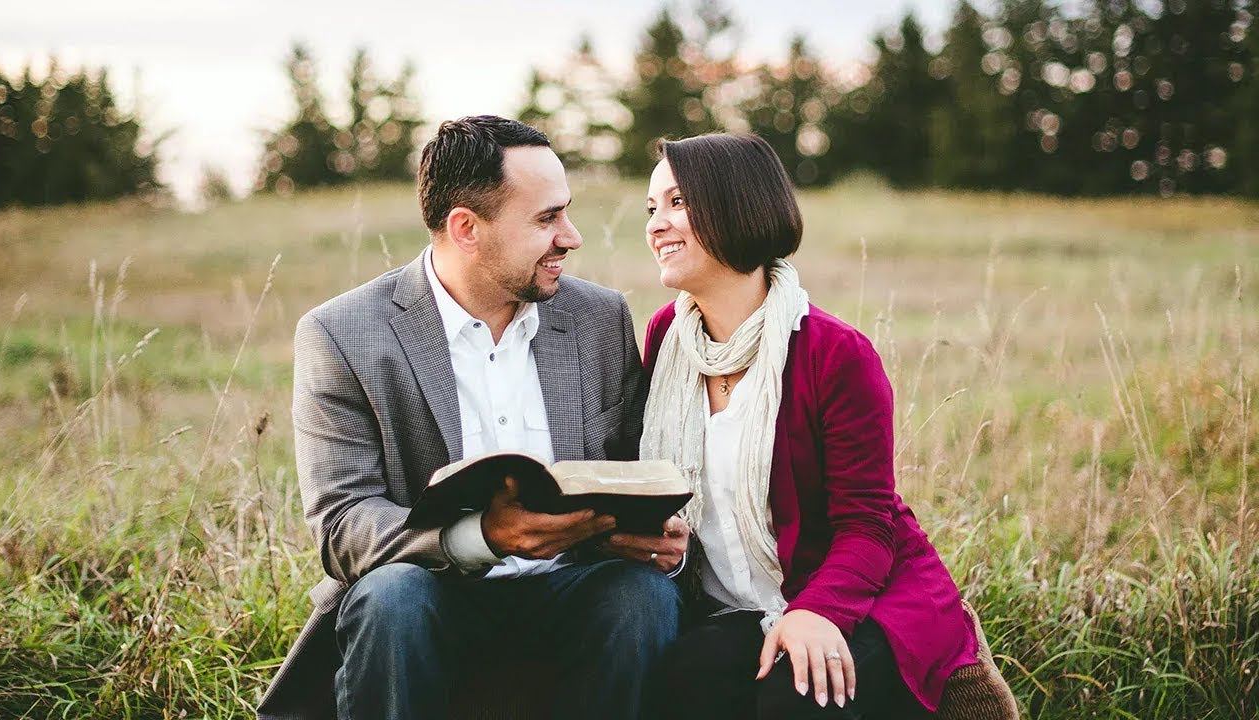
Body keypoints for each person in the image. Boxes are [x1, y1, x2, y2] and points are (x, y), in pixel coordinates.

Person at [256, 115, 688, 720]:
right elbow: (343, 525)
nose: (571, 237)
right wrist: (483, 537)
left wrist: (658, 536)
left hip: (572, 589)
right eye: (546, 219)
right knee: (392, 596)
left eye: (565, 213)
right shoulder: (343, 333)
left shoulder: (600, 317)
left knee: (641, 596)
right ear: (466, 228)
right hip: (429, 592)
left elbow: (633, 470)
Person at [639, 133, 1016, 719]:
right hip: (743, 606)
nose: (656, 224)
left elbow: (869, 523)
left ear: (737, 207)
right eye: (652, 208)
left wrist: (817, 612)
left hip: (862, 596)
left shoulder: (834, 353)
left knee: (798, 697)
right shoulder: (667, 338)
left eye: (678, 202)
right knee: (681, 685)